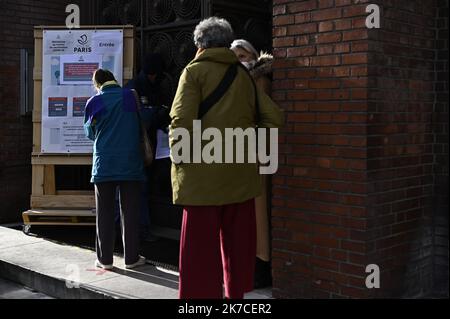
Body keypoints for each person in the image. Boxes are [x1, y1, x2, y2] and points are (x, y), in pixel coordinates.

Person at [169, 17, 283, 299]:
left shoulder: (193, 73)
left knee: (198, 256)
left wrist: (181, 164)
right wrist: (247, 146)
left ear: (200, 44)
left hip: (202, 183)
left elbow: (180, 122)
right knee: (237, 251)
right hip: (240, 179)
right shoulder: (244, 76)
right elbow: (275, 118)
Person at [84, 69, 147, 270]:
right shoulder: (130, 95)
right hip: (130, 162)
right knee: (130, 212)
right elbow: (140, 122)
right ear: (114, 79)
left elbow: (90, 133)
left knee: (104, 213)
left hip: (104, 164)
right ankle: (131, 259)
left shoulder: (94, 102)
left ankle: (105, 260)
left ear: (97, 84)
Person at [231, 39, 274, 288]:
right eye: (234, 56)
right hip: (234, 155)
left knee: (256, 213)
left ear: (253, 55)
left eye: (243, 54)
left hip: (256, 156)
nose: (239, 60)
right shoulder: (235, 82)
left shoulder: (260, 81)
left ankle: (259, 267)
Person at [126, 53, 172, 242]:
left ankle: (142, 227)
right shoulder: (133, 89)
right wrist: (156, 113)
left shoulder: (153, 86)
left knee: (148, 185)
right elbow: (138, 120)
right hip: (139, 147)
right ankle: (141, 230)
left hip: (153, 146)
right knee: (141, 187)